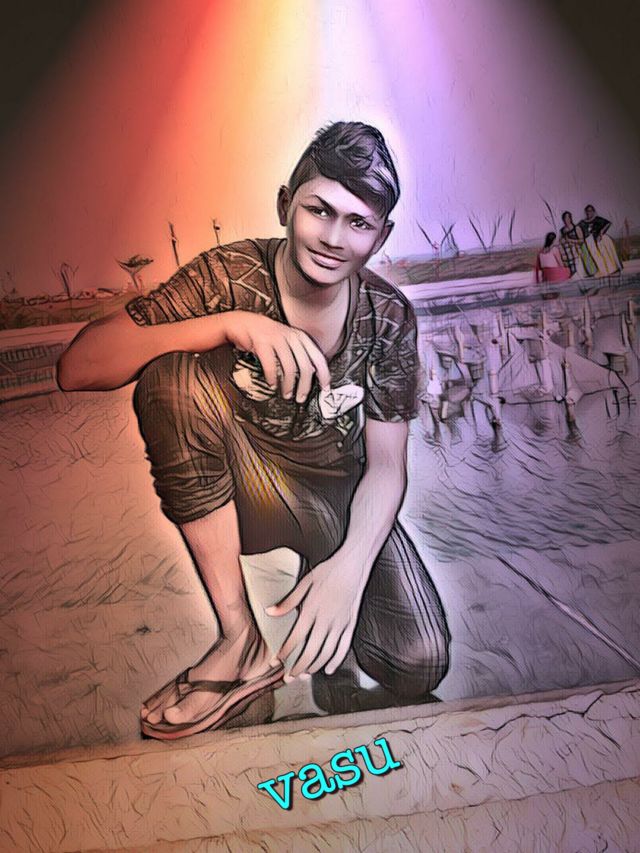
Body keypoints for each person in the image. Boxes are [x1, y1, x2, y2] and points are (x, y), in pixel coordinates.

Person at [57, 122, 450, 740]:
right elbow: (78, 367)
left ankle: (322, 575)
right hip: (236, 491)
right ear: (285, 203)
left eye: (358, 222)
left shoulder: (387, 315)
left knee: (419, 661)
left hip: (332, 497)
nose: (333, 238)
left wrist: (350, 567)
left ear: (382, 235)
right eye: (319, 210)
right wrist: (231, 325)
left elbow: (386, 467)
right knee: (169, 377)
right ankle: (239, 641)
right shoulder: (230, 275)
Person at [578, 204, 623, 276]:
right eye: (587, 211)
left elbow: (608, 223)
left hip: (599, 239)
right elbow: (578, 229)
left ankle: (610, 270)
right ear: (585, 212)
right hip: (589, 242)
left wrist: (601, 232)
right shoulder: (582, 222)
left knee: (604, 254)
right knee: (595, 256)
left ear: (593, 211)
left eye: (590, 211)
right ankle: (600, 272)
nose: (589, 212)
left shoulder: (597, 219)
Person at [559, 211, 596, 279]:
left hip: (578, 246)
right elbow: (562, 240)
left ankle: (584, 272)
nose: (566, 220)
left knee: (577, 250)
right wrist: (563, 241)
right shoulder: (562, 230)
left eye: (568, 218)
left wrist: (571, 241)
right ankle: (571, 272)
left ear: (570, 219)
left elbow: (582, 240)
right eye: (565, 218)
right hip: (568, 248)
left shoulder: (576, 228)